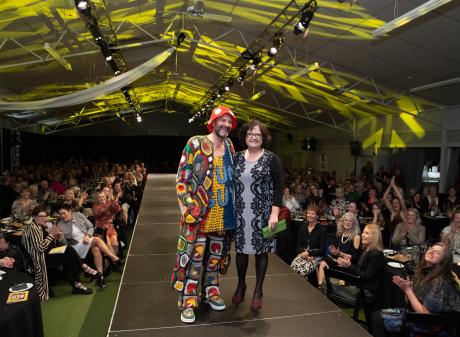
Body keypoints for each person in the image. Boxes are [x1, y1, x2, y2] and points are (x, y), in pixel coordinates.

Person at [171, 106, 237, 324]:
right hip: (199, 216)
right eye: (223, 121)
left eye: (229, 122)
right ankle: (189, 301)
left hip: (222, 214)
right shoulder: (195, 143)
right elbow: (182, 178)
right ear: (213, 122)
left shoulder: (229, 145)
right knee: (195, 259)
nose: (226, 125)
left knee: (215, 259)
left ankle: (211, 291)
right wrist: (189, 207)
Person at [232, 119, 284, 311]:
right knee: (241, 252)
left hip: (263, 214)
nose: (253, 137)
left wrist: (274, 214)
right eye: (250, 134)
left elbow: (279, 188)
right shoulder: (236, 157)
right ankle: (241, 285)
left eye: (258, 135)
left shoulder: (271, 158)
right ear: (244, 136)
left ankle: (258, 290)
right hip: (240, 214)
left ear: (263, 138)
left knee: (261, 252)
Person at [372, 242, 460, 337]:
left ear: (444, 260)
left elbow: (426, 316)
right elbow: (412, 301)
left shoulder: (440, 282)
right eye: (431, 249)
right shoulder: (425, 271)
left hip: (433, 327)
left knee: (378, 318)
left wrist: (408, 291)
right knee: (378, 316)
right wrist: (406, 289)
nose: (431, 252)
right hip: (420, 318)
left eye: (437, 252)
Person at [22, 206, 96, 302]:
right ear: (34, 217)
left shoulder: (40, 226)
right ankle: (84, 270)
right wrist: (51, 235)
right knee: (68, 251)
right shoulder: (33, 229)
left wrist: (56, 236)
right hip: (40, 258)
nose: (43, 218)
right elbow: (39, 248)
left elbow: (48, 242)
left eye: (45, 216)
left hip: (48, 253)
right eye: (40, 216)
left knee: (68, 253)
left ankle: (78, 283)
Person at [57, 204, 122, 288]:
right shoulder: (60, 225)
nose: (62, 216)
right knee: (97, 240)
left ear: (70, 212)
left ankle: (101, 277)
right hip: (75, 247)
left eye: (64, 213)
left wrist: (88, 235)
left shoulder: (79, 215)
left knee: (96, 249)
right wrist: (60, 237)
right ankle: (114, 259)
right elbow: (64, 245)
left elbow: (91, 227)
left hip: (87, 241)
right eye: (60, 214)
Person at [336, 224, 386, 328]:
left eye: (366, 233)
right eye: (363, 232)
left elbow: (366, 276)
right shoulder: (367, 250)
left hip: (366, 292)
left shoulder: (377, 255)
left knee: (328, 284)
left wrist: (349, 266)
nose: (362, 235)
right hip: (360, 286)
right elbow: (359, 270)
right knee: (329, 281)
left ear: (374, 236)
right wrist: (348, 264)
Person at [316, 212, 361, 291]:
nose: (347, 222)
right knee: (322, 262)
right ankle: (320, 287)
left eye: (350, 221)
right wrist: (332, 251)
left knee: (324, 262)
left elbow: (355, 257)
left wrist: (341, 254)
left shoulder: (356, 236)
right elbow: (336, 252)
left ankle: (324, 288)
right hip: (338, 261)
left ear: (353, 224)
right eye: (345, 220)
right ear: (342, 222)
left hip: (347, 265)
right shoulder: (340, 234)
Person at [290, 205, 326, 280]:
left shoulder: (322, 230)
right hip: (303, 254)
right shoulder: (303, 227)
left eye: (312, 214)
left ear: (317, 216)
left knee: (302, 271)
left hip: (316, 255)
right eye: (308, 213)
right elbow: (298, 245)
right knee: (292, 268)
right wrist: (305, 254)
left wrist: (309, 253)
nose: (310, 215)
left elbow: (322, 249)